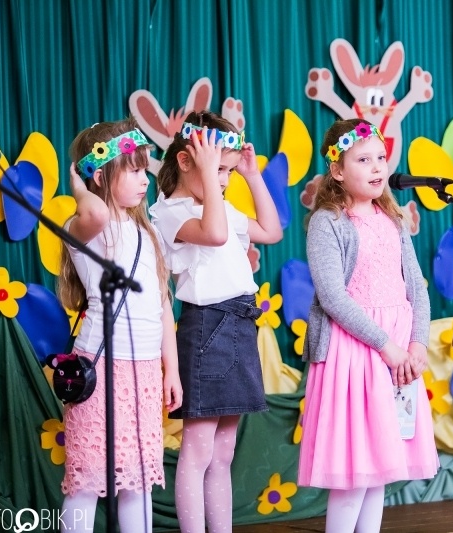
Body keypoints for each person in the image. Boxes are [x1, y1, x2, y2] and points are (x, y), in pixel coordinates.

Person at [297, 118, 439, 533]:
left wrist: (417, 343)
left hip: (397, 351)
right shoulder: (328, 222)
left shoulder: (392, 217)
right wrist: (386, 345)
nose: (377, 167)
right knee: (356, 469)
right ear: (338, 170)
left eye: (381, 157)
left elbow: (416, 285)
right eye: (363, 160)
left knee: (379, 468)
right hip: (354, 352)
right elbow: (333, 296)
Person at [149, 111, 283, 533]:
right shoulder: (170, 212)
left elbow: (271, 231)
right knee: (198, 450)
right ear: (185, 161)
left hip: (239, 325)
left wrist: (251, 175)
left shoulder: (219, 206)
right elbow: (215, 235)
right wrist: (210, 175)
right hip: (207, 328)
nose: (223, 180)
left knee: (223, 452)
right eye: (217, 169)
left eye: (227, 171)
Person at [58, 118, 182, 533]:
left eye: (145, 168)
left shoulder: (147, 233)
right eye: (133, 169)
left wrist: (171, 369)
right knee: (88, 477)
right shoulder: (86, 227)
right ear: (99, 176)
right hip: (101, 368)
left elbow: (162, 305)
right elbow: (94, 209)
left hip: (144, 369)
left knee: (138, 478)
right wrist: (78, 184)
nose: (145, 178)